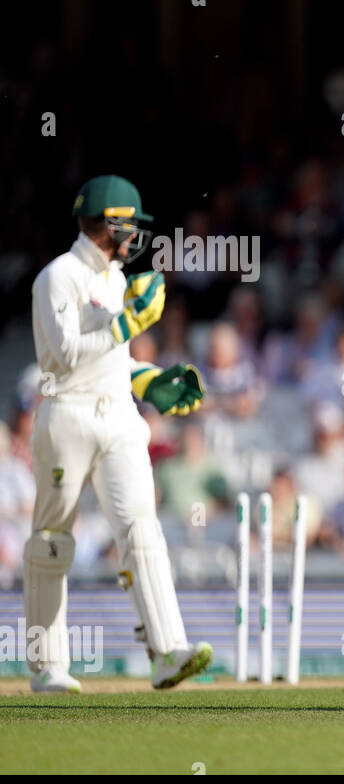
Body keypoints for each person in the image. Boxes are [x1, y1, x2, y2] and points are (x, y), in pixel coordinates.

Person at [27, 175, 211, 692]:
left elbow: (113, 357)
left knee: (141, 528)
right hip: (67, 414)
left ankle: (167, 651)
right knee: (52, 541)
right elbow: (63, 355)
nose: (136, 235)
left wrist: (151, 382)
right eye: (130, 225)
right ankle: (48, 667)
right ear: (110, 223)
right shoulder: (57, 276)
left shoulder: (112, 277)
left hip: (119, 418)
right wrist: (128, 321)